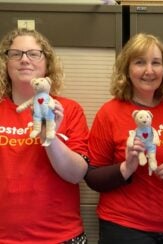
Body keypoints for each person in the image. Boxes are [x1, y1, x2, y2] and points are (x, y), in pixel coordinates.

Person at [85, 33, 163, 244]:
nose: (149, 71)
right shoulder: (109, 112)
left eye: (156, 63)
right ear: (127, 69)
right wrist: (126, 168)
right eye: (140, 63)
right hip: (124, 227)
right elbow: (92, 177)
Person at [0, 28, 89, 243]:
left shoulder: (69, 109)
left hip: (61, 236)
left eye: (33, 53)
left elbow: (77, 174)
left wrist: (49, 137)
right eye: (15, 53)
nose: (24, 60)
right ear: (6, 63)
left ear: (47, 63)